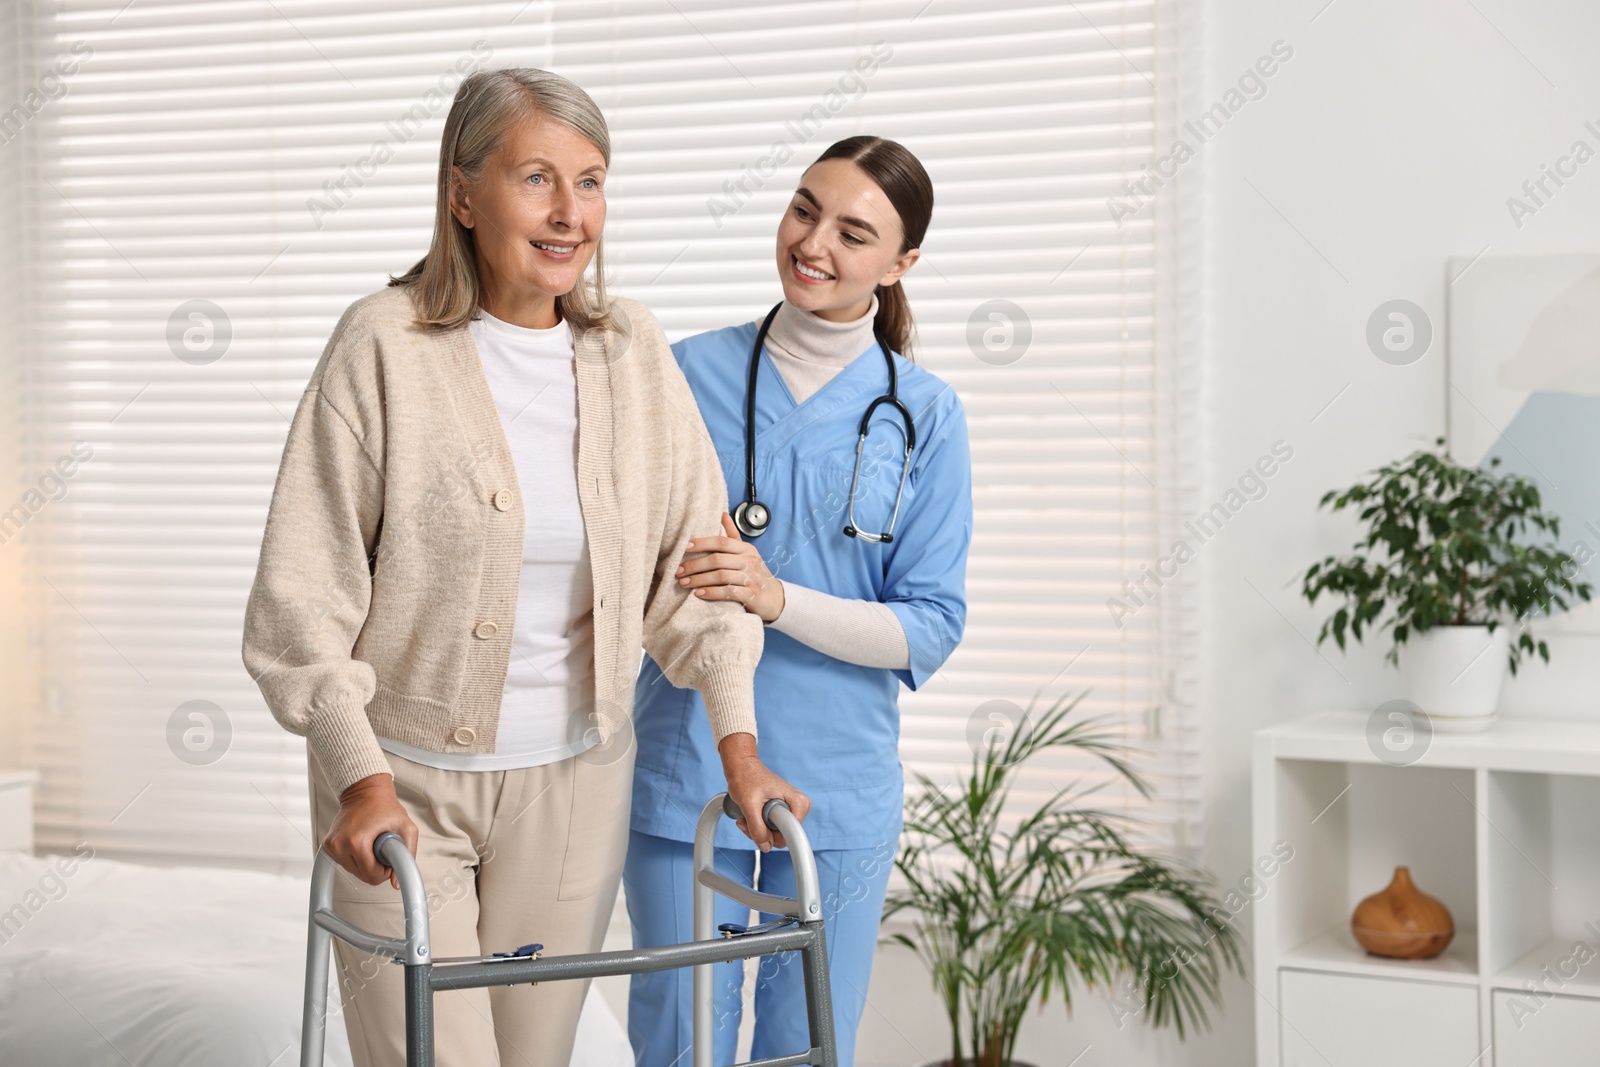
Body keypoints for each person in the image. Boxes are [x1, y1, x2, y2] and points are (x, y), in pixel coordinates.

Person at [240, 67, 807, 1067]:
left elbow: (697, 568)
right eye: (536, 178)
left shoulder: (630, 350)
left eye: (590, 182)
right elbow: (302, 591)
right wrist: (357, 774)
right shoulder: (382, 344)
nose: (568, 213)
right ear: (462, 192)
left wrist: (739, 744)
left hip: (577, 785)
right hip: (397, 787)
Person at [623, 136, 973, 1067]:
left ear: (901, 265)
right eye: (804, 208)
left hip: (837, 786)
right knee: (679, 1038)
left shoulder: (924, 413)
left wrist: (777, 598)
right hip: (686, 762)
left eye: (854, 232)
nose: (813, 242)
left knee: (806, 1045)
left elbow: (930, 621)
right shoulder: (680, 372)